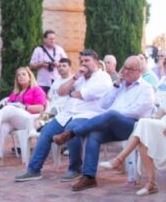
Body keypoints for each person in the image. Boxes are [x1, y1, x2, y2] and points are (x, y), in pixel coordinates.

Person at [50, 56, 156, 191]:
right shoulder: (119, 85)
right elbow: (103, 104)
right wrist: (116, 85)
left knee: (111, 114)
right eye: (124, 68)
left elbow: (138, 111)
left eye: (130, 69)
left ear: (139, 72)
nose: (125, 72)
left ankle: (72, 133)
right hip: (111, 123)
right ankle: (89, 177)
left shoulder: (146, 88)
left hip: (132, 127)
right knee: (94, 134)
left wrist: (114, 114)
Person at [100, 60, 166, 196]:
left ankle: (119, 160)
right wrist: (152, 119)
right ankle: (150, 183)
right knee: (144, 130)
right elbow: (160, 113)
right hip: (164, 126)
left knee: (144, 127)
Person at [14, 50, 113, 182]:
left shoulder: (103, 77)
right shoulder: (78, 78)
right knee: (46, 131)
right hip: (66, 114)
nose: (83, 64)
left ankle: (75, 169)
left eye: (87, 61)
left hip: (88, 114)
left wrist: (73, 93)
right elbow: (61, 92)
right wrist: (74, 78)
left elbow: (84, 94)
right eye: (81, 61)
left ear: (95, 62)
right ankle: (34, 169)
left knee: (71, 129)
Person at [29, 29, 66, 94]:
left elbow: (67, 63)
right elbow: (31, 66)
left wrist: (59, 64)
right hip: (43, 83)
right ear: (44, 40)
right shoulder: (38, 50)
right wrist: (42, 64)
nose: (53, 41)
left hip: (57, 81)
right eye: (50, 39)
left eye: (54, 39)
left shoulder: (59, 49)